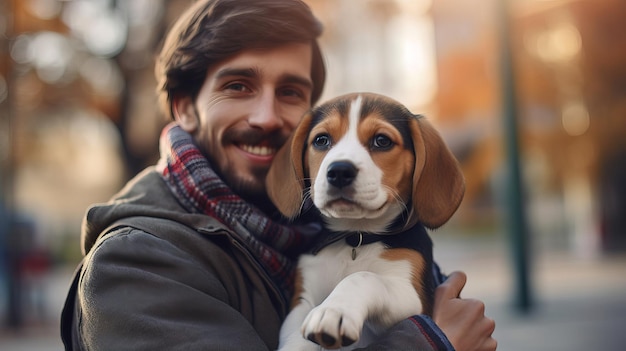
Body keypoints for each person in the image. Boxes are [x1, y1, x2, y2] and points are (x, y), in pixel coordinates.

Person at [60, 0, 497, 350]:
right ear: (185, 107)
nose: (267, 117)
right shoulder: (133, 264)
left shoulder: (304, 226)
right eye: (238, 86)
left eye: (290, 92)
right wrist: (434, 342)